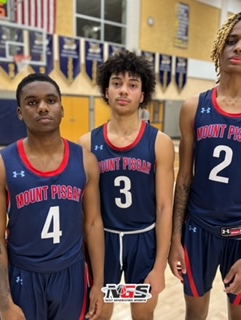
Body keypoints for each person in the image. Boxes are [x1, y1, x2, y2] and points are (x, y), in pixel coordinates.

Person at [168, 11, 241, 320]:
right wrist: (174, 240)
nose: (238, 48)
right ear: (219, 48)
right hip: (197, 231)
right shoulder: (194, 106)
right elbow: (184, 179)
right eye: (231, 41)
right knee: (194, 314)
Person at [0, 73, 105, 320]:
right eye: (32, 102)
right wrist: (5, 303)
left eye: (51, 100)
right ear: (19, 112)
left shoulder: (86, 161)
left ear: (61, 108)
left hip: (72, 275)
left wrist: (98, 283)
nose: (42, 107)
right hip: (23, 277)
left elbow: (93, 223)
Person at [79, 51, 174, 320]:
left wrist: (159, 267)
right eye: (117, 83)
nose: (124, 90)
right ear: (106, 91)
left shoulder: (160, 143)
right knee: (98, 313)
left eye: (133, 85)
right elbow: (85, 212)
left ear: (142, 94)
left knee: (143, 315)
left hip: (144, 241)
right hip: (103, 242)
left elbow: (165, 207)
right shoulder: (88, 143)